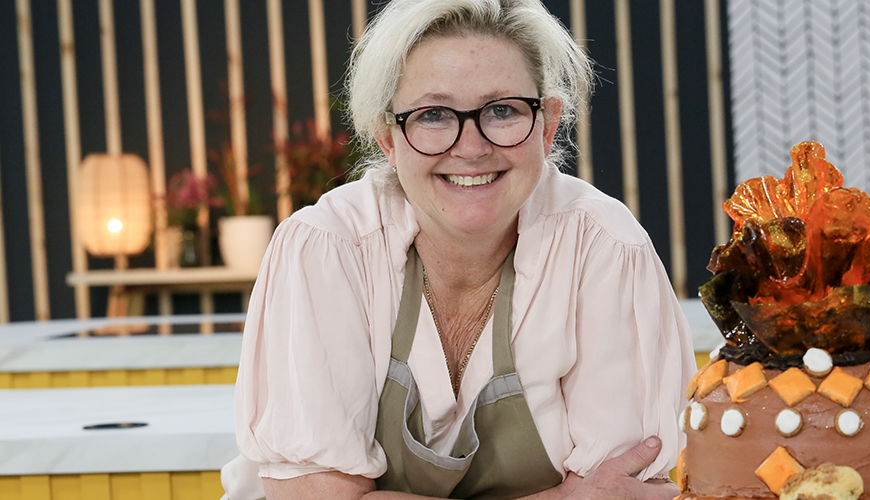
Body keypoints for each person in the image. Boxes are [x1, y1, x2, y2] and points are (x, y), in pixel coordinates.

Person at [220, 0, 696, 498]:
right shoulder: (329, 247)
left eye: (502, 110)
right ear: (387, 137)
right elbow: (318, 496)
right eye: (433, 115)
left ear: (548, 124)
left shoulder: (603, 248)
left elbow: (624, 487)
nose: (471, 148)